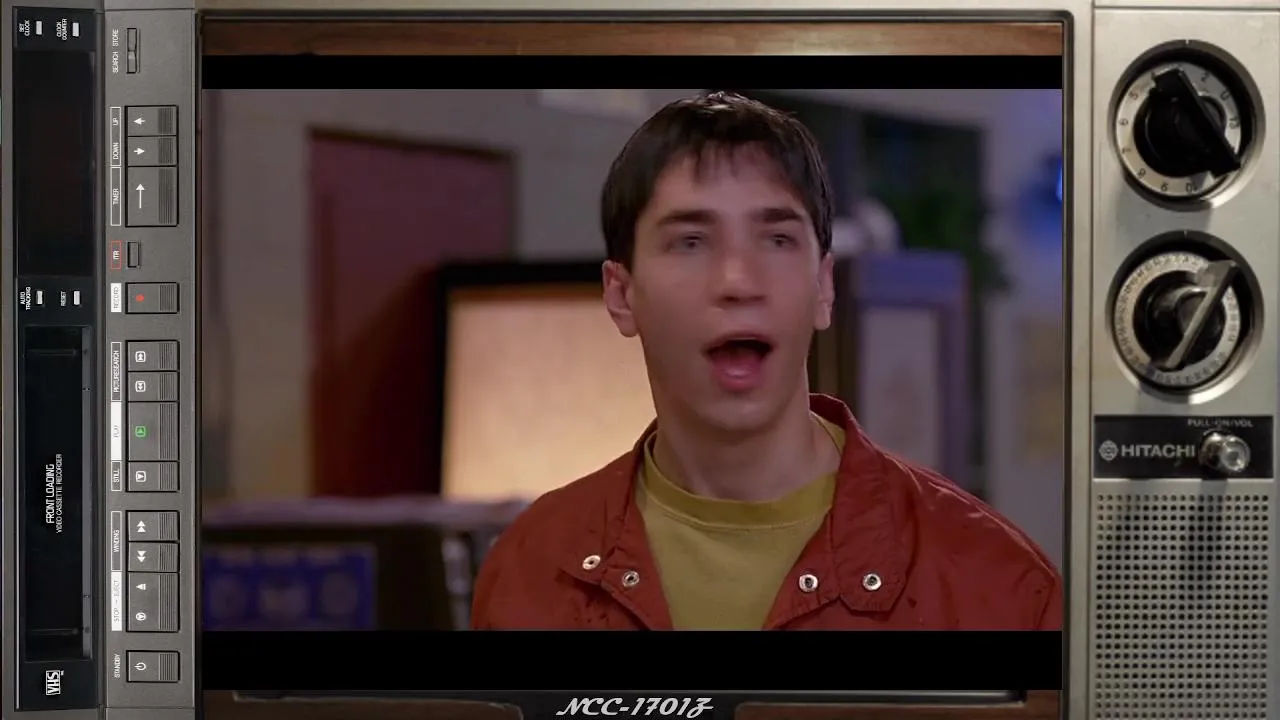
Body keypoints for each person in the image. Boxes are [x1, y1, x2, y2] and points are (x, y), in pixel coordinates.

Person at [471, 92, 1062, 630]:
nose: (738, 280)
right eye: (691, 242)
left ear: (823, 287)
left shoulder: (996, 584)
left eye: (777, 240)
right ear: (622, 295)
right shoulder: (532, 567)